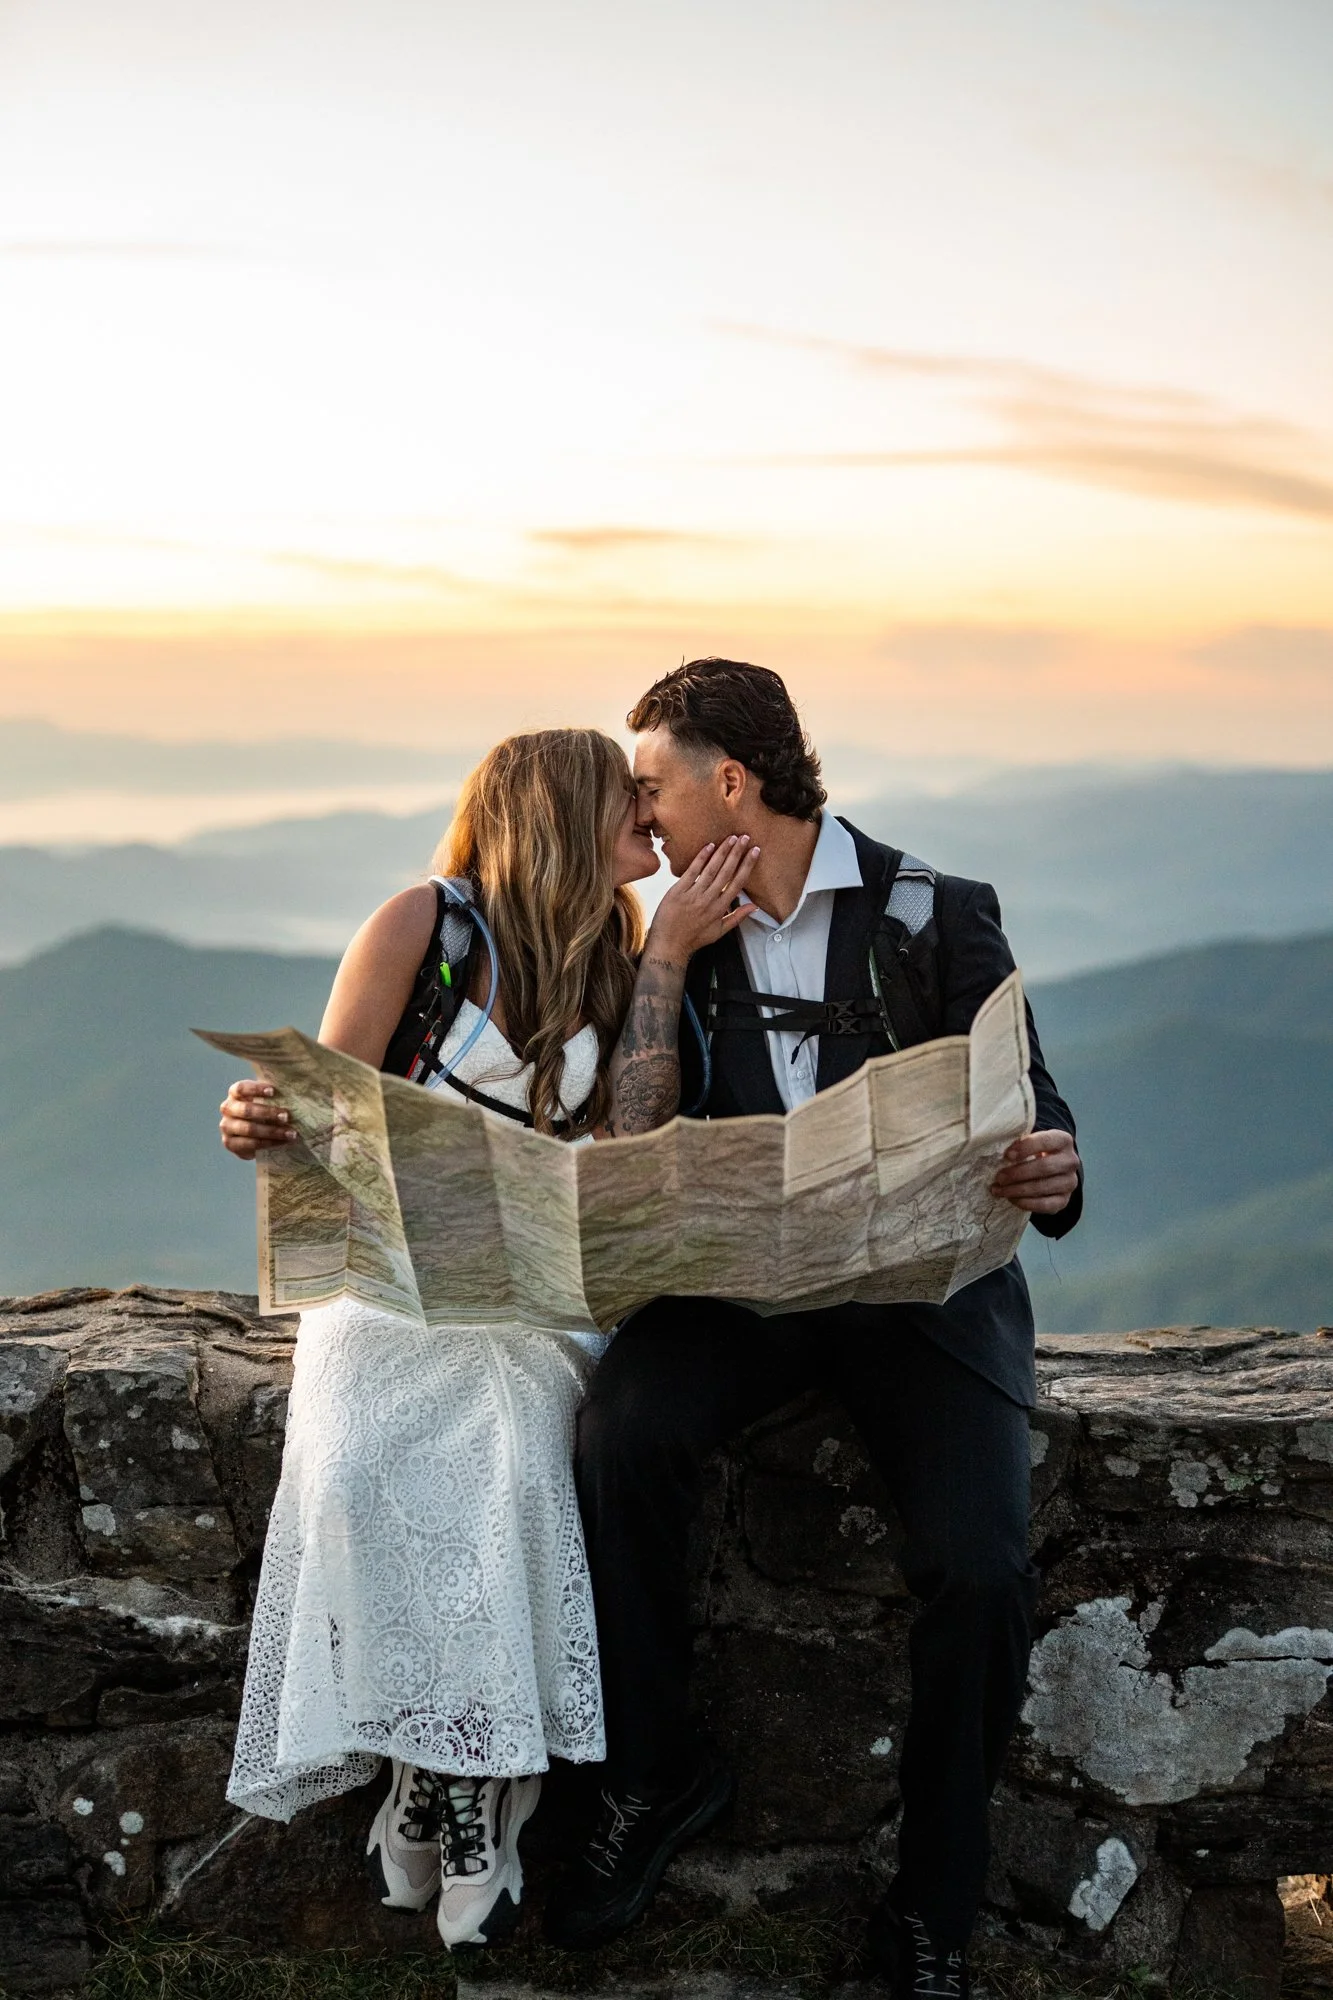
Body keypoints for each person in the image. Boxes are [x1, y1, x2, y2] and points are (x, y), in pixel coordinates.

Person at [545, 661, 1082, 2000]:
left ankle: (933, 1907)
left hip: (918, 1295)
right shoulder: (670, 933)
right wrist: (664, 958)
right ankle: (651, 1775)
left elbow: (1032, 1101)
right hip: (743, 1295)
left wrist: (1051, 1168)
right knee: (618, 1440)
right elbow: (633, 1143)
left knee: (979, 1568)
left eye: (653, 785)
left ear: (729, 780)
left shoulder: (936, 911)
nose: (640, 815)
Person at [216, 726, 758, 1950]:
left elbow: (631, 1142)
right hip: (389, 1286)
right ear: (559, 813)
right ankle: (451, 1767)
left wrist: (666, 955)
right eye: (623, 798)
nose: (648, 814)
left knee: (512, 1461)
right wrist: (261, 1118)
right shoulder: (422, 926)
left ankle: (467, 1780)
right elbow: (326, 1108)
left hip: (531, 1296)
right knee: (352, 1467)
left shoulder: (619, 953)